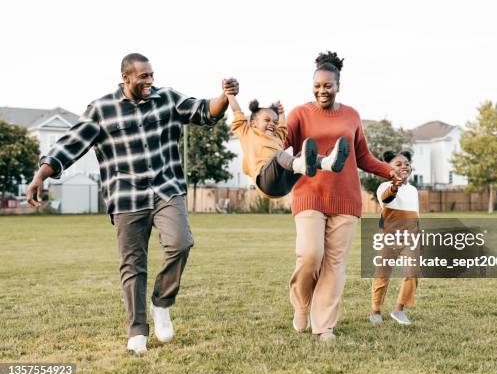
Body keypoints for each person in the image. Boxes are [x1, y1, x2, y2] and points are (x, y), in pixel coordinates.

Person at [26, 53, 239, 355]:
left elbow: (204, 111)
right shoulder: (102, 109)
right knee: (132, 265)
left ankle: (161, 303)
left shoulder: (167, 99)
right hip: (126, 196)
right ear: (126, 78)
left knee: (180, 243)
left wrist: (225, 96)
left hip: (166, 188)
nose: (150, 81)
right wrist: (41, 175)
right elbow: (70, 145)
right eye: (143, 77)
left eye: (152, 75)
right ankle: (137, 330)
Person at [284, 51, 402, 341]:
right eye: (317, 85)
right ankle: (301, 302)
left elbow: (362, 156)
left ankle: (324, 325)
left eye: (328, 85)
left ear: (338, 86)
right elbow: (282, 148)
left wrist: (390, 172)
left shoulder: (351, 115)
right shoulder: (299, 113)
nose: (322, 90)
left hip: (346, 199)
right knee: (310, 255)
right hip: (309, 194)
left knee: (334, 265)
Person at [227, 94, 349, 198]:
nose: (272, 124)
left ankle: (328, 163)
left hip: (284, 186)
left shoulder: (277, 137)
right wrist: (230, 94)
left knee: (302, 155)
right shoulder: (247, 133)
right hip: (265, 183)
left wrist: (281, 112)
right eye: (267, 120)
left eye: (275, 122)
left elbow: (283, 127)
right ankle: (299, 165)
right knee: (279, 154)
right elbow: (237, 113)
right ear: (253, 123)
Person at [370, 150, 420, 326]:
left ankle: (399, 310)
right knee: (383, 274)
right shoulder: (384, 187)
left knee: (413, 272)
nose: (404, 166)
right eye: (398, 164)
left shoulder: (413, 190)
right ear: (389, 168)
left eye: (406, 163)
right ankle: (375, 310)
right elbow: (387, 198)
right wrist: (395, 185)